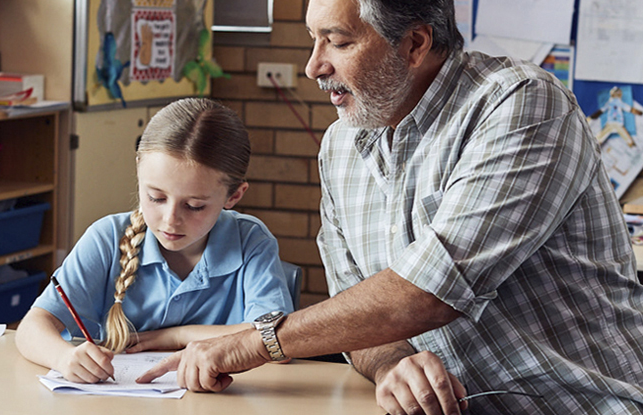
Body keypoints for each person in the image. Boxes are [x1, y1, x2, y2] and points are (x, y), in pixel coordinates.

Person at [138, 0, 643, 413]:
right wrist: (391, 364)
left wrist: (255, 340)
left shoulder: (521, 104)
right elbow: (354, 315)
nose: (314, 65)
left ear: (415, 44)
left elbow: (427, 292)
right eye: (314, 40)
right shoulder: (340, 147)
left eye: (337, 41)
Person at [15, 97, 294, 384]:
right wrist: (63, 357)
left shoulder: (250, 240)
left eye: (195, 206)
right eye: (156, 198)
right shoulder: (108, 238)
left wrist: (176, 335)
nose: (170, 220)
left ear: (234, 196)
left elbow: (278, 343)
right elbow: (31, 329)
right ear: (138, 172)